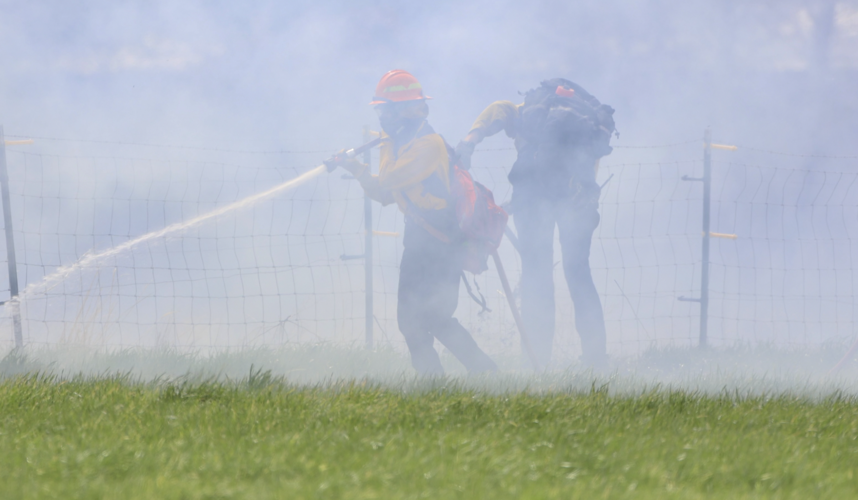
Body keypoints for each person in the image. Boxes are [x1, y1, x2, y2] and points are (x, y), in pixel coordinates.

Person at [337, 69, 497, 375]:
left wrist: (386, 140)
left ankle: (488, 376)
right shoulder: (405, 143)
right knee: (411, 322)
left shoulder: (428, 145)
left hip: (442, 245)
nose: (382, 117)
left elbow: (388, 177)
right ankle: (435, 387)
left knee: (435, 319)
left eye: (386, 110)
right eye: (380, 110)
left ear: (405, 110)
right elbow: (387, 193)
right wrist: (355, 168)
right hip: (419, 243)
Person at [456, 78, 614, 370]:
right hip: (578, 201)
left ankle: (535, 361)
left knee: (536, 276)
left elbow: (499, 109)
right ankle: (596, 362)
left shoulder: (529, 112)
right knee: (579, 274)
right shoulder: (587, 123)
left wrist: (471, 139)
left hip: (533, 201)